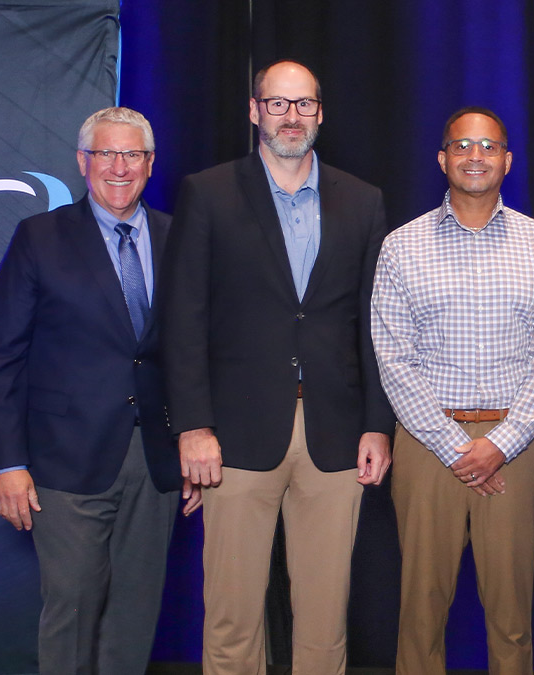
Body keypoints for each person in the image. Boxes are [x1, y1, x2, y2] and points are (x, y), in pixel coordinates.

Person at [159, 60, 394, 674]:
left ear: (321, 111)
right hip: (232, 436)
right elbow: (182, 319)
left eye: (304, 104)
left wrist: (377, 425)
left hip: (336, 435)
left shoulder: (362, 201)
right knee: (232, 619)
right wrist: (192, 425)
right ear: (254, 110)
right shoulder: (207, 193)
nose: (292, 116)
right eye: (278, 103)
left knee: (324, 619)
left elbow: (373, 325)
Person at [0, 106, 194, 674]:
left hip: (156, 462)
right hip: (63, 465)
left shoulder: (179, 238)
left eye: (132, 154)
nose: (118, 167)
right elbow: (2, 357)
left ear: (150, 163)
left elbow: (195, 354)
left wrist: (196, 446)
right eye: (105, 154)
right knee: (71, 610)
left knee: (136, 614)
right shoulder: (39, 237)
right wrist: (8, 464)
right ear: (82, 161)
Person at [371, 106, 534, 674]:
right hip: (428, 442)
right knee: (421, 609)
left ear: (507, 159)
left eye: (488, 146)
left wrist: (499, 443)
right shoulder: (402, 246)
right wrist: (457, 446)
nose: (475, 156)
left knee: (511, 611)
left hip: (516, 444)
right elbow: (394, 359)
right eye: (462, 145)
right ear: (442, 158)